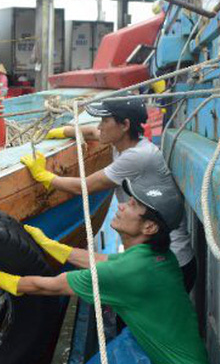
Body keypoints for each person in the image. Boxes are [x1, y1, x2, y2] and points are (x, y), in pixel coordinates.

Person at [0, 178, 215, 364]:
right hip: (175, 359)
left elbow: (50, 286)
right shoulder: (158, 256)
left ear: (149, 227)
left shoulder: (130, 272)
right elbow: (102, 260)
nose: (121, 206)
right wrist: (54, 247)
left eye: (132, 205)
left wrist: (2, 279)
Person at [21, 98, 197, 292]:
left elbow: (83, 187)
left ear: (125, 125)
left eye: (105, 120)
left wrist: (43, 176)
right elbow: (90, 132)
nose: (100, 126)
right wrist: (58, 132)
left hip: (170, 264)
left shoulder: (137, 157)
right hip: (148, 259)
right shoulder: (124, 142)